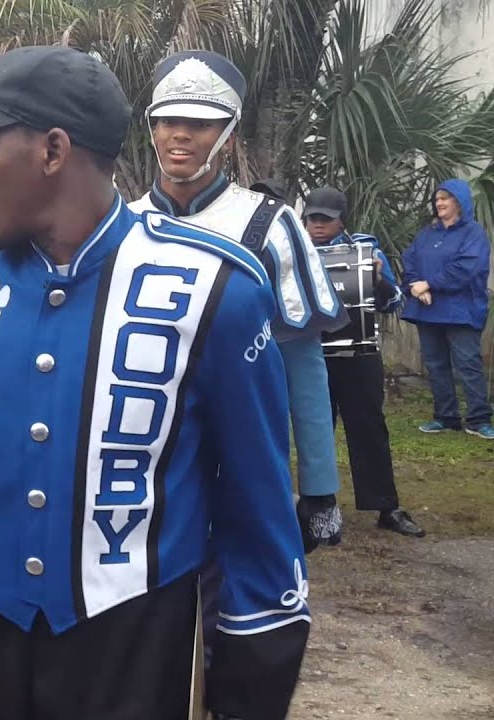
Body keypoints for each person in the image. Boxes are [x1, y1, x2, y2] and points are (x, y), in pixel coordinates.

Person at [0, 46, 310, 720]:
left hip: (143, 637)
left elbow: (257, 511)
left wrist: (251, 684)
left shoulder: (215, 291)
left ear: (53, 151)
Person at [130, 50, 349, 552]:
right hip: (143, 461)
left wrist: (319, 488)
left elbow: (302, 363)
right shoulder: (125, 225)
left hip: (244, 449)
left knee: (245, 608)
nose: (179, 134)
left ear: (227, 138)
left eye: (200, 124)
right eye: (167, 121)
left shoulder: (270, 224)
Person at [302, 187, 425, 537]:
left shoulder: (364, 248)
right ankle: (319, 511)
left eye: (326, 219)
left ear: (342, 219)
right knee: (315, 432)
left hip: (359, 354)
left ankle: (387, 507)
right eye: (313, 218)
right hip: (312, 357)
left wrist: (378, 278)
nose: (318, 225)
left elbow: (393, 302)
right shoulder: (295, 249)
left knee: (369, 429)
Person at [400, 179, 494, 438]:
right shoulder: (426, 234)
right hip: (428, 308)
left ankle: (479, 419)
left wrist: (429, 284)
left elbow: (466, 268)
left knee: (468, 364)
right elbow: (409, 261)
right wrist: (418, 287)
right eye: (437, 198)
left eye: (445, 198)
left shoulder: (473, 233)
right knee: (436, 364)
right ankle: (446, 416)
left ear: (460, 202)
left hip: (461, 310)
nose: (439, 203)